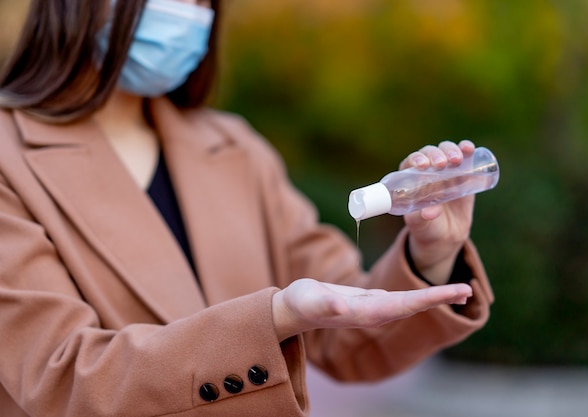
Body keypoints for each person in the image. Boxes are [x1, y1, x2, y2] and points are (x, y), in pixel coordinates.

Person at [0, 0, 494, 416]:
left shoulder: (234, 148)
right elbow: (59, 380)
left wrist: (428, 254)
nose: (190, 12)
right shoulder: (10, 158)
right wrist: (273, 319)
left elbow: (352, 338)